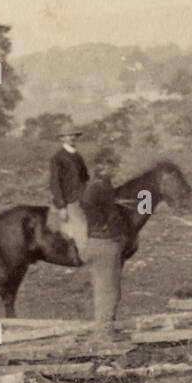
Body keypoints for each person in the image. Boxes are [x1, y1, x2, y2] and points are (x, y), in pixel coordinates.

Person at [80, 148, 131, 343]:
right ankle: (103, 335)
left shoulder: (103, 185)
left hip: (102, 241)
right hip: (104, 242)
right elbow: (88, 206)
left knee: (108, 288)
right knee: (107, 290)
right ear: (100, 166)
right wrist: (104, 224)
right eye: (111, 165)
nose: (114, 169)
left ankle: (104, 330)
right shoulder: (97, 187)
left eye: (115, 165)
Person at [48, 130, 90, 261]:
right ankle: (86, 258)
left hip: (82, 198)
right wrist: (61, 206)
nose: (72, 137)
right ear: (62, 138)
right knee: (82, 228)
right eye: (68, 135)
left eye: (74, 135)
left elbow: (85, 177)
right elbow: (55, 182)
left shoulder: (77, 156)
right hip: (69, 200)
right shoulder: (57, 157)